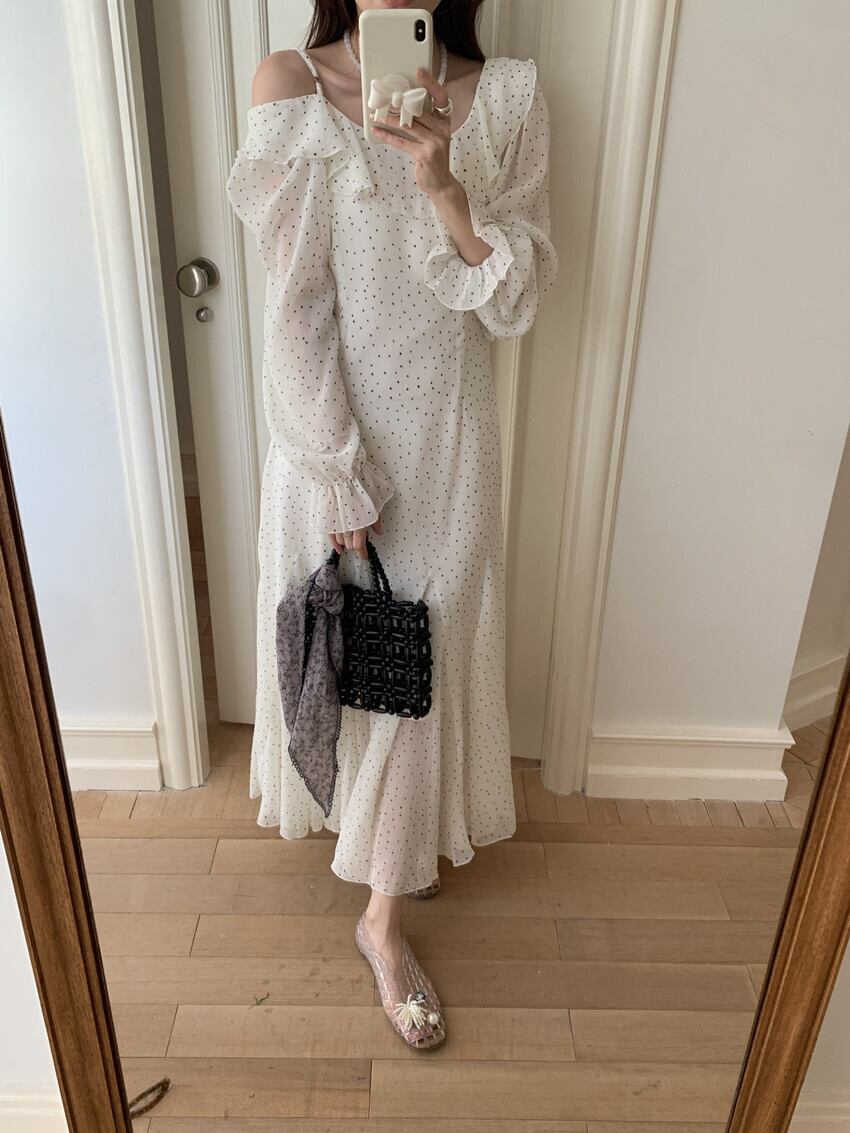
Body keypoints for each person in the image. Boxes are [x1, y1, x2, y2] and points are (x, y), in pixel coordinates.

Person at [226, 0, 558, 1050]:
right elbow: (295, 310)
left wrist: (445, 186)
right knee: (364, 659)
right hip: (336, 438)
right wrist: (337, 475)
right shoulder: (289, 87)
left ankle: (381, 915)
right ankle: (389, 857)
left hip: (451, 438)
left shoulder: (508, 95)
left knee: (428, 657)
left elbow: (513, 303)